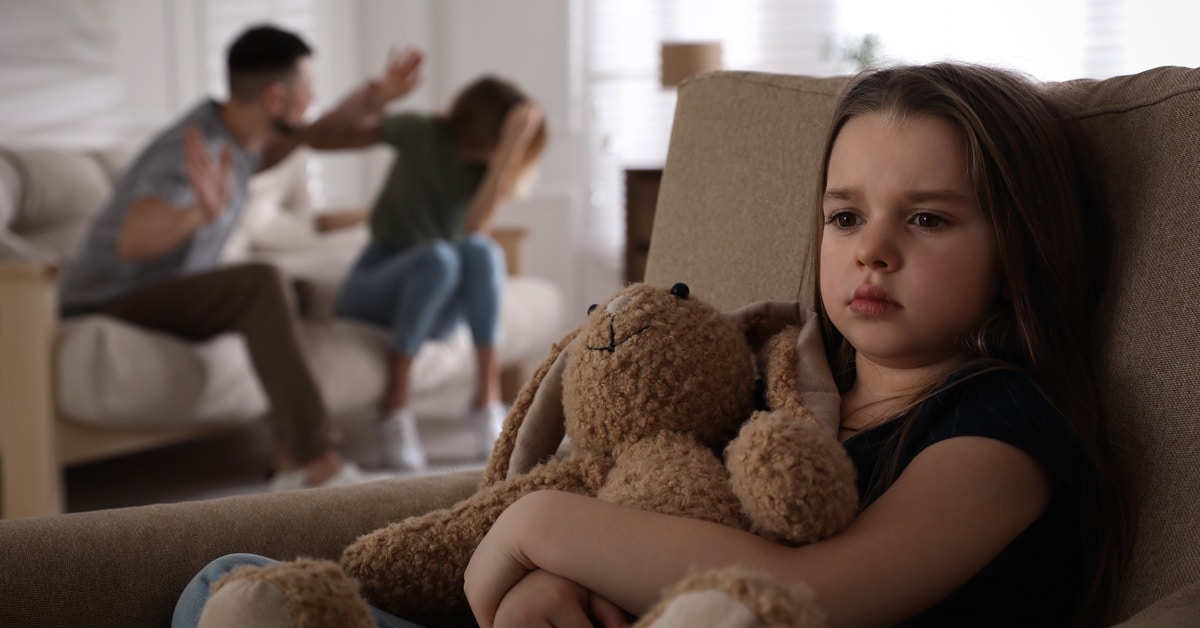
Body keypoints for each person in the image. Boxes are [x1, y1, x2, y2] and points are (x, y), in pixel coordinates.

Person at [458, 63, 1133, 627]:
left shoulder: (1003, 430)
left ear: (1019, 255)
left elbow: (810, 592)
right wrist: (552, 585)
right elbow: (663, 522)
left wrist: (535, 526)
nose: (871, 249)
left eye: (927, 218)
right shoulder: (780, 389)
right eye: (845, 217)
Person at [57, 24, 422, 490]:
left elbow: (311, 131)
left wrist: (376, 97)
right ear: (274, 98)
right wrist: (196, 213)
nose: (310, 101)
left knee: (298, 294)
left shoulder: (237, 139)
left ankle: (290, 454)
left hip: (159, 293)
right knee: (260, 283)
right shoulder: (191, 149)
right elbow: (133, 239)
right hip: (110, 301)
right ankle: (316, 459)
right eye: (306, 91)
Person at [305, 73, 548, 470]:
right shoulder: (420, 132)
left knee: (481, 251)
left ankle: (485, 400)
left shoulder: (485, 172)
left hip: (437, 303)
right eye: (508, 139)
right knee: (438, 256)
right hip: (374, 285)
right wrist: (373, 99)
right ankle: (394, 408)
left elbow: (473, 227)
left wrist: (505, 156)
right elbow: (321, 139)